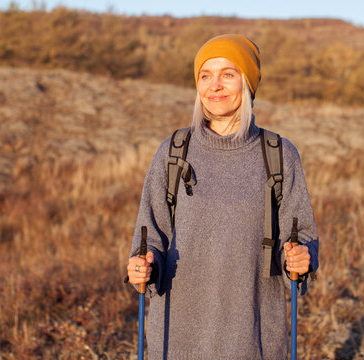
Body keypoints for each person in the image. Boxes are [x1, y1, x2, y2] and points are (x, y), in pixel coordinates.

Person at [127, 34, 319, 360]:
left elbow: (302, 239)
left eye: (228, 74)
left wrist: (302, 259)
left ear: (248, 84)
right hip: (176, 340)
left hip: (253, 339)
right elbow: (150, 240)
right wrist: (142, 266)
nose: (214, 86)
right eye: (206, 76)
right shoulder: (173, 152)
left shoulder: (278, 154)